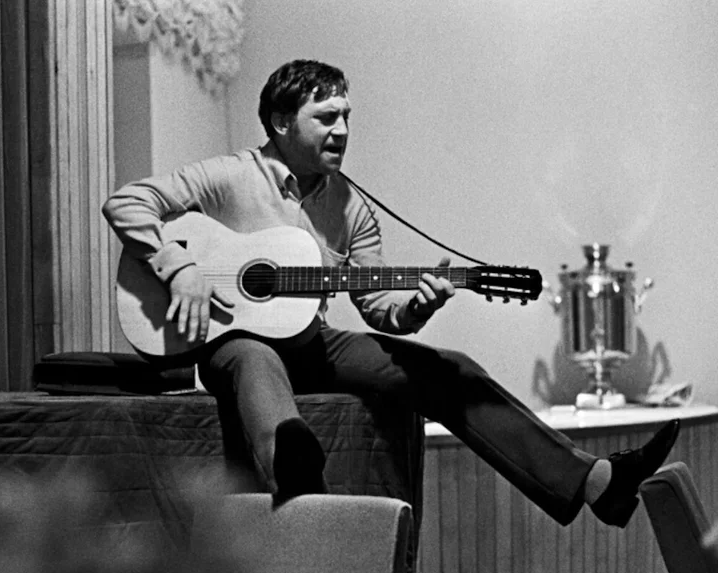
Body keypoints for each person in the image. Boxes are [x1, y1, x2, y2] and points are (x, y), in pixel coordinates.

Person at [103, 59, 679, 527]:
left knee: (448, 369)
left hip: (311, 340)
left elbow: (377, 308)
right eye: (326, 117)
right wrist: (179, 266)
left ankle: (595, 481)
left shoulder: (353, 208)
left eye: (346, 117)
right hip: (228, 340)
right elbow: (127, 202)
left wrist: (416, 306)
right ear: (281, 123)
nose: (342, 130)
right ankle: (298, 485)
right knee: (256, 358)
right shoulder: (230, 176)